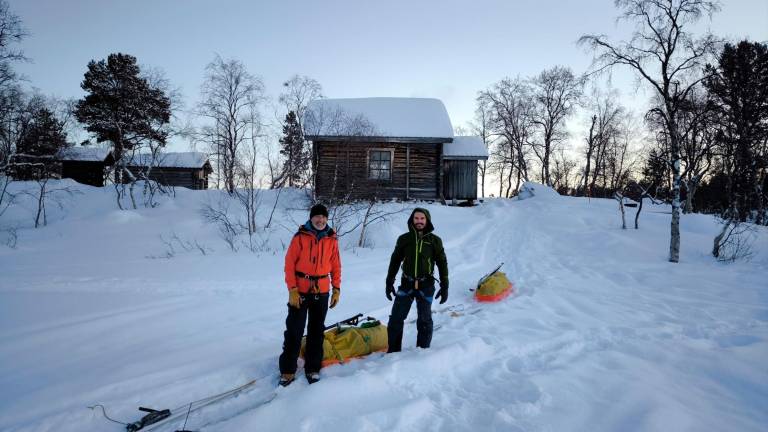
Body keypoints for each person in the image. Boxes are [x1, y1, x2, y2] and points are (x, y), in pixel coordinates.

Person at [279, 204, 341, 386]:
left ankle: (313, 369)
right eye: (317, 217)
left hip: (321, 291)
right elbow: (289, 264)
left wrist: (336, 288)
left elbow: (336, 265)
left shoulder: (332, 239)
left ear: (327, 219)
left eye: (323, 217)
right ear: (311, 218)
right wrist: (292, 289)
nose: (320, 220)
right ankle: (288, 371)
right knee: (294, 331)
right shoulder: (300, 237)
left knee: (316, 331)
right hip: (300, 291)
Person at [385, 207, 448, 352]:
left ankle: (422, 352)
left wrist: (445, 285)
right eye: (416, 218)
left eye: (422, 218)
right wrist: (389, 281)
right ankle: (393, 353)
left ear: (427, 220)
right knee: (395, 319)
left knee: (424, 320)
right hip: (406, 284)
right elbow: (395, 261)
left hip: (426, 285)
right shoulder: (404, 239)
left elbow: (442, 263)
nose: (419, 221)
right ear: (412, 220)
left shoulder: (435, 241)